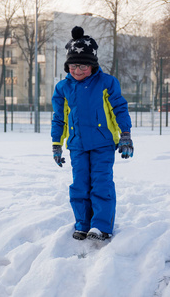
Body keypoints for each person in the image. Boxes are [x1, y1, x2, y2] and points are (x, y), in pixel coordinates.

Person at [51, 26, 133, 241]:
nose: (78, 70)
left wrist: (125, 135)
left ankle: (101, 226)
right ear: (67, 65)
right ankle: (82, 223)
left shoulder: (107, 83)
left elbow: (119, 109)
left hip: (103, 143)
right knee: (79, 185)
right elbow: (59, 118)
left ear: (93, 65)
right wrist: (56, 144)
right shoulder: (62, 88)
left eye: (84, 66)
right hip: (77, 145)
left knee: (101, 182)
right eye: (73, 65)